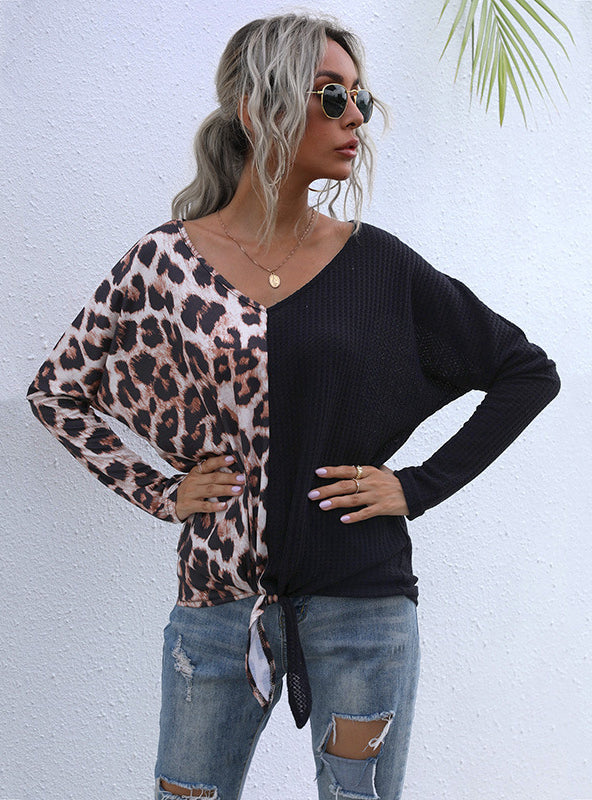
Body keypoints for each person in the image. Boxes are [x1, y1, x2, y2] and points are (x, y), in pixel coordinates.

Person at [26, 12, 560, 800]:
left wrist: (415, 486)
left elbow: (525, 371)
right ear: (257, 109)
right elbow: (59, 390)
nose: (355, 119)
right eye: (332, 96)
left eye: (361, 100)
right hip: (218, 609)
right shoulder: (164, 263)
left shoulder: (376, 262)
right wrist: (161, 492)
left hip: (363, 608)